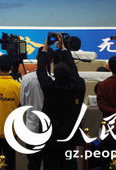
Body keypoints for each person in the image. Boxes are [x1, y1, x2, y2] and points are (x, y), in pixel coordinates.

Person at [36, 33, 86, 170]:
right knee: (69, 165)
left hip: (50, 135)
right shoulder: (74, 86)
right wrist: (64, 48)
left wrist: (45, 48)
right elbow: (73, 69)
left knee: (49, 164)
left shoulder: (48, 86)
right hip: (68, 134)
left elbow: (41, 69)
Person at [21, 47, 51, 170]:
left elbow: (23, 103)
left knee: (33, 162)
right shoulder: (53, 79)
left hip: (32, 127)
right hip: (47, 129)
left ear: (38, 58)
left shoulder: (27, 79)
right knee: (48, 162)